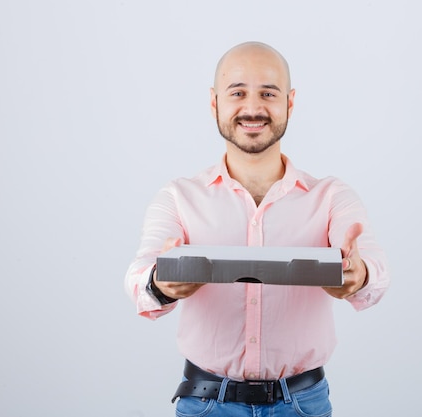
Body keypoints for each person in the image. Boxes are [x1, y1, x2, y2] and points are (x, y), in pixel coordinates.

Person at [125, 41, 390, 417]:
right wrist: (159, 284)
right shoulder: (178, 197)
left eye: (268, 93)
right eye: (237, 93)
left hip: (303, 404)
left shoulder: (332, 196)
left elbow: (376, 275)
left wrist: (358, 275)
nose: (252, 108)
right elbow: (138, 281)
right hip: (206, 403)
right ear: (215, 102)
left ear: (290, 103)